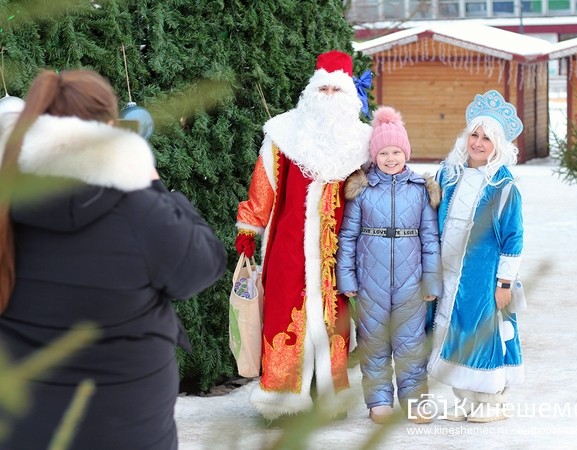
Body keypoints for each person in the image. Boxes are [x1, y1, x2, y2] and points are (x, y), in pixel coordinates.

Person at [0, 70, 227, 449]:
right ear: (109, 127)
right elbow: (202, 265)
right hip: (129, 428)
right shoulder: (140, 208)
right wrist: (151, 181)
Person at [234, 50, 372, 420]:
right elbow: (264, 185)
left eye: (335, 89)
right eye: (322, 88)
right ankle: (280, 403)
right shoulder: (284, 134)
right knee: (284, 315)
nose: (328, 95)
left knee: (334, 320)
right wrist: (250, 226)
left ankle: (330, 399)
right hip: (288, 247)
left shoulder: (364, 142)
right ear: (310, 91)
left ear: (349, 96)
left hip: (339, 251)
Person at [335, 106, 442, 424]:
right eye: (384, 152)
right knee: (374, 340)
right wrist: (347, 276)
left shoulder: (420, 190)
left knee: (411, 342)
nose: (391, 158)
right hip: (371, 282)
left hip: (411, 283)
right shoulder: (363, 190)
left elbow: (430, 239)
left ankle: (414, 400)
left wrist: (432, 282)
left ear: (405, 153)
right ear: (374, 155)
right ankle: (379, 400)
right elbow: (348, 237)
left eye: (396, 151)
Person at [427, 90, 525, 423]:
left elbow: (514, 238)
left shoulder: (504, 187)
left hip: (483, 277)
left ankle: (494, 400)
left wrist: (505, 282)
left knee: (485, 333)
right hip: (450, 273)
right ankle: (467, 397)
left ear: (498, 145)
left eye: (487, 138)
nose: (478, 143)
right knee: (455, 331)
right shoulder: (448, 175)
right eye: (474, 135)